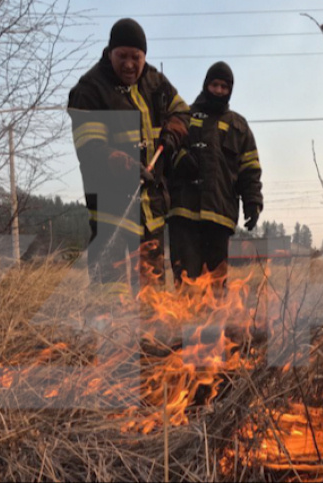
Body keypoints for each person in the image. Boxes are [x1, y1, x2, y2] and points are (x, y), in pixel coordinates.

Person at [68, 18, 189, 292]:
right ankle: (110, 335)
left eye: (136, 57)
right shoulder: (90, 89)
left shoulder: (156, 82)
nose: (129, 64)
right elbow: (91, 148)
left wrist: (171, 135)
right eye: (122, 56)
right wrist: (125, 166)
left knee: (153, 298)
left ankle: (152, 336)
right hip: (113, 212)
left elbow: (183, 112)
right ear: (110, 52)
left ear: (145, 56)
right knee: (109, 294)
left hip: (151, 212)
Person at [166, 61, 263, 287]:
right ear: (205, 85)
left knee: (216, 288)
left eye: (224, 87)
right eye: (214, 85)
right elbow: (163, 150)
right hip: (184, 214)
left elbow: (250, 170)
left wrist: (253, 202)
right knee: (186, 283)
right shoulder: (184, 117)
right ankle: (186, 322)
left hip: (219, 216)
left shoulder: (239, 126)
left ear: (230, 90)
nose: (219, 90)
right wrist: (178, 158)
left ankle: (214, 323)